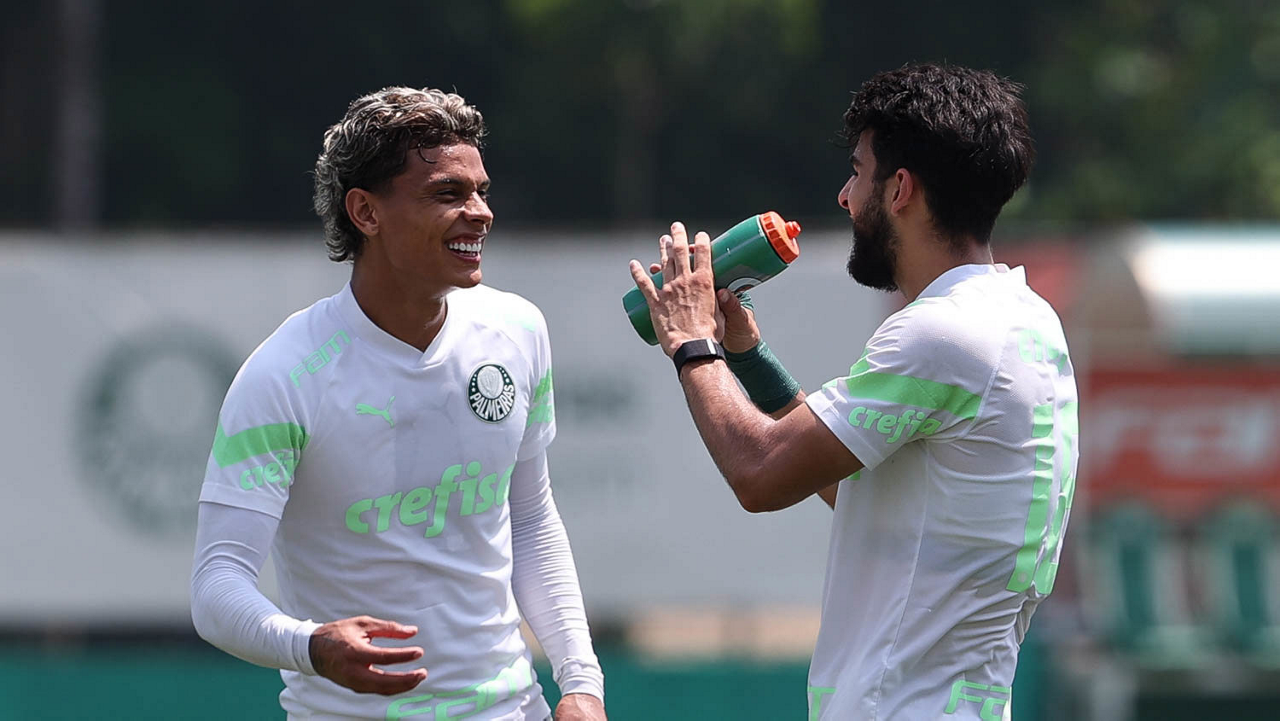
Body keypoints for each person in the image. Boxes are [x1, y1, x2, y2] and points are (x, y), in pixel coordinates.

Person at [627, 63, 1077, 720]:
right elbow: (868, 492)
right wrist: (746, 357)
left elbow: (759, 474)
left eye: (857, 171)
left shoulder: (942, 332)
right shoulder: (1027, 318)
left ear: (900, 189)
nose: (844, 196)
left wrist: (692, 342)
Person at [191, 87, 606, 721]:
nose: (480, 213)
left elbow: (529, 519)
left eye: (481, 191)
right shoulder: (282, 375)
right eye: (448, 193)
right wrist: (310, 645)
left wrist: (580, 682)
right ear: (365, 211)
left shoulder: (518, 330)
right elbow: (216, 586)